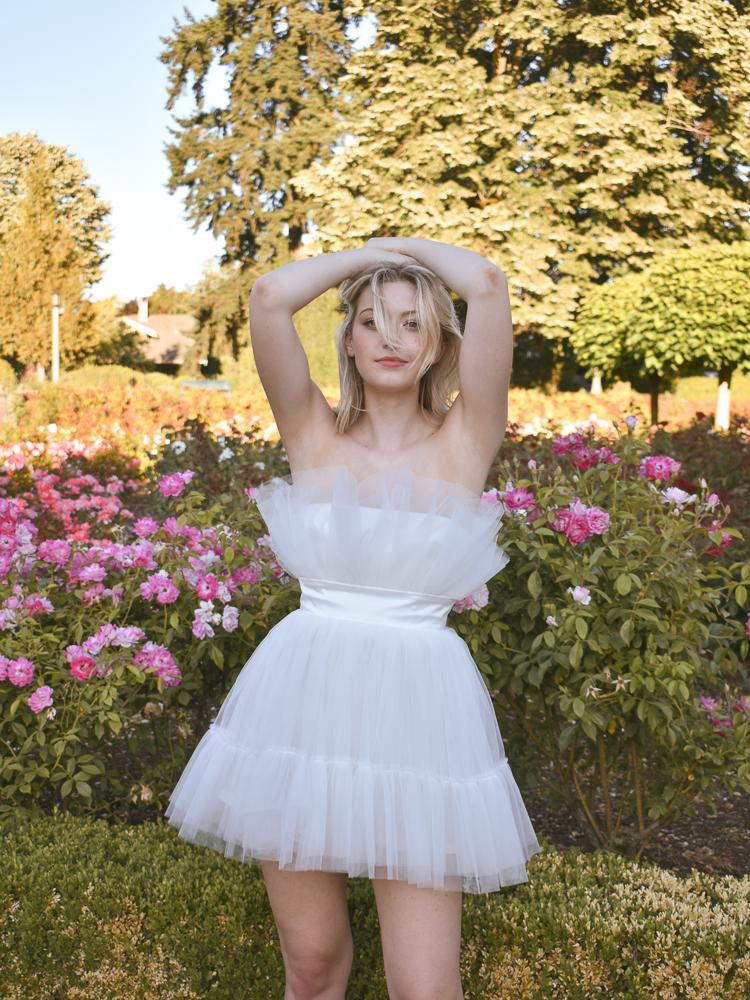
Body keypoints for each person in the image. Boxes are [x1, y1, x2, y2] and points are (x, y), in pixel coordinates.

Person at [165, 236, 542, 1000]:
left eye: (412, 323)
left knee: (426, 990)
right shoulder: (312, 434)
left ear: (440, 342)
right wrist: (371, 252)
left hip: (421, 718)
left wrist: (407, 251)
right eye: (371, 321)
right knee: (311, 966)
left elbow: (491, 283)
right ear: (347, 338)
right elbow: (269, 297)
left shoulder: (469, 440)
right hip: (301, 709)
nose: (392, 340)